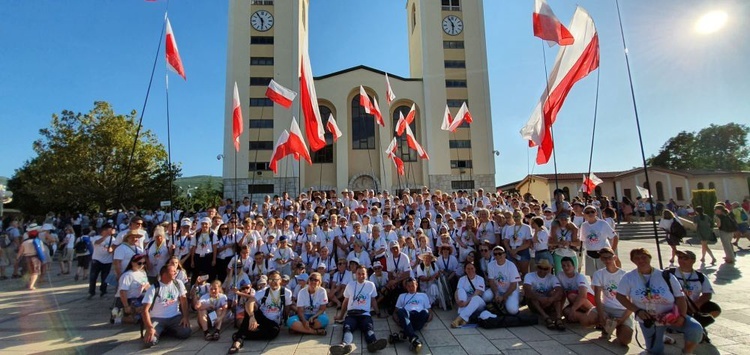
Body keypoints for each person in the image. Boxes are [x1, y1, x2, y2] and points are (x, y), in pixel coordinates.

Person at [615, 248, 704, 355]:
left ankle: (687, 352)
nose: (641, 260)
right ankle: (659, 339)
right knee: (656, 352)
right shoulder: (629, 277)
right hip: (649, 319)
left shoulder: (666, 276)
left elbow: (680, 297)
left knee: (695, 329)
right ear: (633, 261)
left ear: (650, 258)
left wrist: (682, 316)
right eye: (637, 258)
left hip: (671, 315)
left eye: (644, 257)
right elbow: (620, 296)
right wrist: (637, 310)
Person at [229, 270, 293, 353]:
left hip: (273, 321)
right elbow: (250, 302)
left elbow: (287, 307)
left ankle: (241, 335)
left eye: (275, 280)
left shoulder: (287, 293)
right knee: (251, 307)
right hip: (262, 316)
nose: (273, 282)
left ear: (280, 280)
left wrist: (285, 320)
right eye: (270, 280)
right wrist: (252, 317)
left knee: (274, 332)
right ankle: (238, 341)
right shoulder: (264, 291)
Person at [330, 265, 388, 355]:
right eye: (359, 274)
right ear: (355, 275)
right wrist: (341, 316)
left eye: (363, 274)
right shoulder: (350, 285)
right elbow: (345, 301)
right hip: (351, 314)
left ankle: (373, 343)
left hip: (365, 314)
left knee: (368, 328)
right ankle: (344, 345)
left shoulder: (371, 285)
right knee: (347, 328)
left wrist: (378, 313)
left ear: (366, 274)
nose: (361, 276)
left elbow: (373, 300)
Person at [667, 250, 721, 342]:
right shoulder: (670, 273)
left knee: (714, 308)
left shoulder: (700, 276)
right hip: (675, 305)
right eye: (679, 258)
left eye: (685, 258)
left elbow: (707, 294)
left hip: (694, 305)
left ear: (693, 261)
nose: (681, 260)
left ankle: (697, 327)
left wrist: (697, 304)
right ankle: (691, 328)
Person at [141, 264, 192, 348]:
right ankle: (159, 330)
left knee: (186, 332)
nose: (176, 273)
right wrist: (149, 327)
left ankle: (166, 330)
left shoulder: (178, 283)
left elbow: (184, 300)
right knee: (149, 342)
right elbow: (145, 310)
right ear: (164, 274)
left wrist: (185, 317)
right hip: (157, 318)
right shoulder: (153, 288)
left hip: (174, 316)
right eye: (173, 271)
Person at [591, 247, 633, 345]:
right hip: (607, 307)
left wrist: (622, 319)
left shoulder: (625, 275)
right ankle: (606, 326)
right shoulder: (599, 274)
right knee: (586, 320)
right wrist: (601, 315)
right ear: (601, 259)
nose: (607, 260)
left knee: (625, 340)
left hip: (622, 310)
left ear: (615, 257)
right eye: (604, 258)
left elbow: (632, 302)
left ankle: (616, 327)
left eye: (609, 257)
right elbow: (597, 297)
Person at [391, 277, 431, 353]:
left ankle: (402, 335)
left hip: (419, 316)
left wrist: (427, 321)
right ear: (406, 287)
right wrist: (398, 321)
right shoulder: (402, 296)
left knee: (425, 311)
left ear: (417, 285)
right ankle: (413, 338)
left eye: (413, 285)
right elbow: (395, 311)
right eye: (409, 286)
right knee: (401, 310)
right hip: (407, 316)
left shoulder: (423, 295)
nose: (411, 288)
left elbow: (429, 311)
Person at [523, 259, 565, 330]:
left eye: (545, 269)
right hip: (535, 304)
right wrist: (540, 298)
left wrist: (551, 299)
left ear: (548, 269)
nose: (542, 270)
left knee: (557, 295)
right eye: (540, 268)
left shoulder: (552, 277)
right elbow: (527, 290)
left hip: (548, 302)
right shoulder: (529, 276)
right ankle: (546, 318)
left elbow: (559, 290)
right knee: (533, 296)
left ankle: (558, 318)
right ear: (537, 268)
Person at [557, 257, 597, 326]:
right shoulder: (560, 275)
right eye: (563, 266)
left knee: (571, 295)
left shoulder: (580, 277)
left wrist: (573, 309)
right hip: (576, 304)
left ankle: (596, 313)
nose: (566, 268)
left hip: (589, 300)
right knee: (566, 312)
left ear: (573, 267)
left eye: (568, 265)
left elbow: (583, 296)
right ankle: (585, 317)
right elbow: (560, 292)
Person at [578, 205, 618, 277]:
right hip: (590, 253)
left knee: (605, 274)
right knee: (592, 275)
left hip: (602, 253)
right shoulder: (584, 226)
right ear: (584, 214)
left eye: (592, 211)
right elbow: (582, 239)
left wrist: (612, 250)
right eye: (587, 212)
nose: (590, 214)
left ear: (596, 213)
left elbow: (614, 236)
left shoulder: (602, 223)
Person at [287, 271, 329, 336]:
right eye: (311, 279)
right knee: (290, 321)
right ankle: (314, 332)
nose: (313, 281)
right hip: (305, 315)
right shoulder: (302, 292)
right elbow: (300, 310)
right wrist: (304, 321)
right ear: (308, 281)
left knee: (324, 320)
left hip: (317, 315)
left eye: (316, 280)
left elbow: (322, 309)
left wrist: (313, 317)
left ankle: (300, 329)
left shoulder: (322, 291)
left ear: (319, 282)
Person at [452, 262, 490, 328]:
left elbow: (477, 293)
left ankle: (459, 318)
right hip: (465, 302)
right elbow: (457, 291)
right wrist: (457, 301)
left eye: (472, 268)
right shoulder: (462, 279)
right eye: (468, 269)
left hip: (479, 303)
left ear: (475, 269)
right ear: (465, 270)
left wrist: (466, 302)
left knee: (475, 298)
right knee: (461, 290)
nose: (470, 270)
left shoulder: (480, 279)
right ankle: (464, 319)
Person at [486, 246, 521, 315]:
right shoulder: (490, 265)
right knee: (485, 297)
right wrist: (496, 293)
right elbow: (491, 282)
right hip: (498, 290)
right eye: (495, 254)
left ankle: (508, 301)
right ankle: (496, 303)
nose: (497, 256)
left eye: (500, 253)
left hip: (510, 290)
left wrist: (504, 296)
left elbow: (513, 285)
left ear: (505, 254)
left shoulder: (511, 265)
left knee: (513, 310)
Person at [116, 254, 150, 324]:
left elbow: (147, 285)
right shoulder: (127, 275)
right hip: (129, 299)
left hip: (139, 297)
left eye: (144, 263)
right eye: (139, 263)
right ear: (132, 263)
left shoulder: (143, 273)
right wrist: (126, 306)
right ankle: (119, 318)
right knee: (139, 319)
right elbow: (122, 292)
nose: (141, 265)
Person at [89, 223, 115, 299]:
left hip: (107, 261)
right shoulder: (96, 237)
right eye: (108, 230)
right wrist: (106, 236)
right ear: (104, 230)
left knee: (105, 278)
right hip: (96, 260)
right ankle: (92, 291)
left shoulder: (113, 239)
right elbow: (97, 242)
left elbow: (114, 248)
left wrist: (111, 250)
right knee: (93, 277)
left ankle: (103, 291)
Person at [17, 225, 46, 290]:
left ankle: (28, 283)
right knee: (35, 272)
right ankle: (31, 285)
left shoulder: (24, 242)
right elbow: (42, 251)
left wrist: (17, 258)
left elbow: (20, 252)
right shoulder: (38, 241)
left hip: (26, 258)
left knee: (28, 272)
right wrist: (43, 258)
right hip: (35, 257)